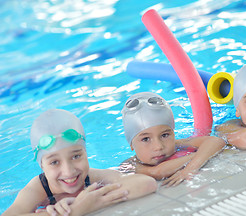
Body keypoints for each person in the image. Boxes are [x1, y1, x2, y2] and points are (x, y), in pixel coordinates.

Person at [3, 109, 157, 216]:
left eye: (76, 157)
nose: (69, 171)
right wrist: (77, 210)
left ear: (86, 153)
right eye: (54, 162)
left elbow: (147, 183)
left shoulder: (93, 177)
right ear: (41, 165)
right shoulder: (38, 189)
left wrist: (96, 200)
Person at [121, 92, 225, 187]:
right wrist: (200, 155)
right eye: (146, 139)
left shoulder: (178, 144)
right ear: (131, 145)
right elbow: (157, 172)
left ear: (173, 133)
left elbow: (216, 141)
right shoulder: (130, 165)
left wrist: (191, 167)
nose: (158, 146)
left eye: (165, 135)